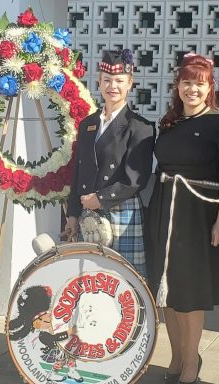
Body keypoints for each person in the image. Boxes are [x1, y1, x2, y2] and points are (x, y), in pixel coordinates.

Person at [145, 53, 219, 384]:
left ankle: (191, 361)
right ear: (178, 86)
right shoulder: (169, 123)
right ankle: (175, 356)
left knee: (189, 292)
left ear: (209, 87)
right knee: (165, 292)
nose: (192, 89)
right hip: (163, 211)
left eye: (199, 83)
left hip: (198, 216)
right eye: (187, 82)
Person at [63, 49, 155, 276]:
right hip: (88, 213)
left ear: (130, 84)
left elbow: (137, 178)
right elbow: (79, 172)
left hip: (121, 212)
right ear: (99, 82)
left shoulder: (140, 127)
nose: (112, 86)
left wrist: (100, 199)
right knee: (90, 281)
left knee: (125, 284)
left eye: (119, 81)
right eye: (107, 80)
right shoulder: (87, 124)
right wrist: (73, 213)